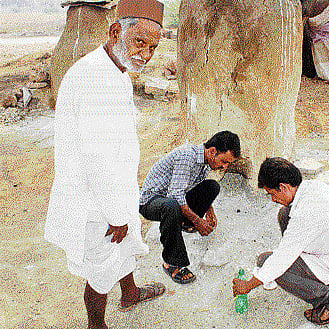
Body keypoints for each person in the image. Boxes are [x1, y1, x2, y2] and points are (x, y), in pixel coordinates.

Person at [45, 0, 166, 328]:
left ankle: (130, 294)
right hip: (95, 202)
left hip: (114, 189)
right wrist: (116, 214)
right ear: (116, 31)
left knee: (124, 248)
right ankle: (96, 325)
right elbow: (95, 159)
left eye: (153, 47)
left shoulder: (117, 71)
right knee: (101, 268)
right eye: (139, 42)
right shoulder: (94, 78)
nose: (146, 54)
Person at [232, 157, 329, 325]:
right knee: (284, 213)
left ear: (284, 187)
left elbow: (281, 259)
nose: (272, 199)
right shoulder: (311, 187)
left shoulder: (307, 212)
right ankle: (305, 271)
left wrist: (248, 286)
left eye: (272, 194)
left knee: (268, 262)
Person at [139, 131, 241, 284]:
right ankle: (171, 262)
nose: (225, 166)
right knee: (171, 205)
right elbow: (175, 196)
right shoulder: (187, 156)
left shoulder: (206, 160)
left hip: (170, 197)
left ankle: (183, 223)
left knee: (212, 186)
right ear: (213, 151)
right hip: (150, 202)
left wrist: (209, 211)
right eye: (224, 161)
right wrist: (198, 221)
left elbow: (195, 185)